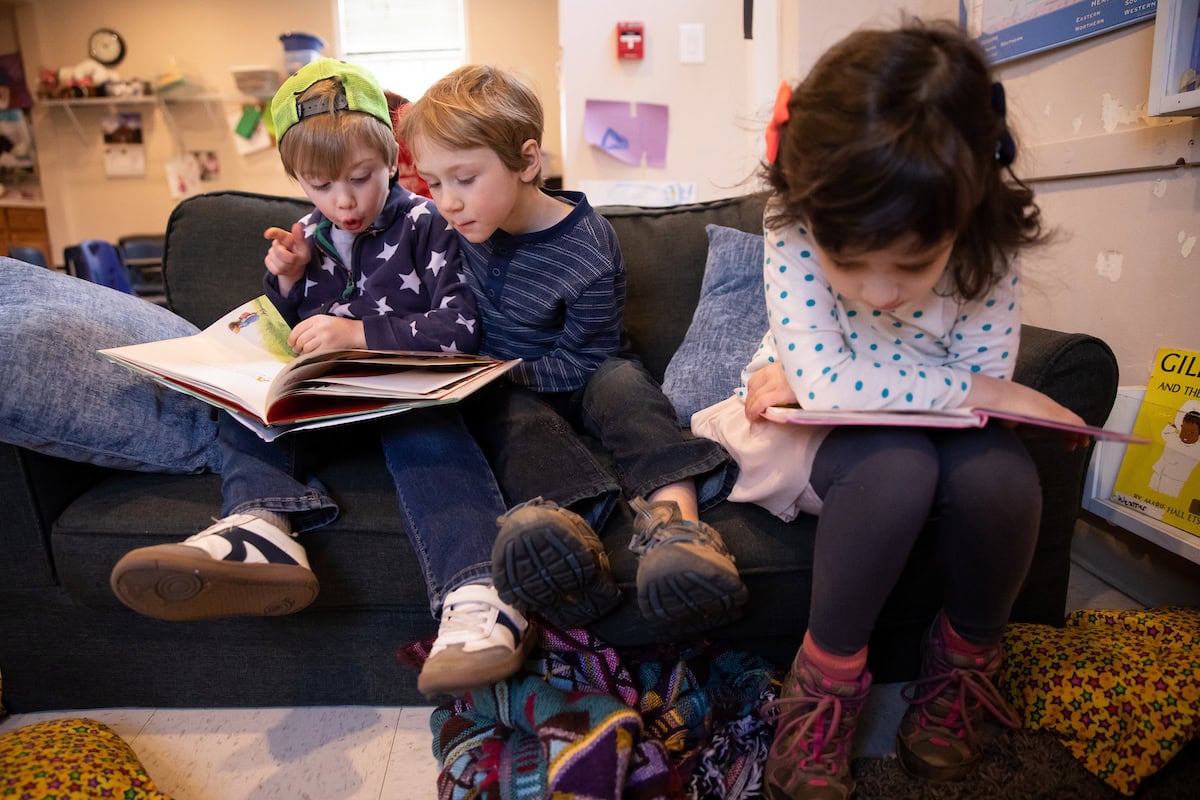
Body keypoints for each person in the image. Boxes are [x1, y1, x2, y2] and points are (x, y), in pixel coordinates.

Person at [688, 20, 1089, 799]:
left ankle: (963, 670)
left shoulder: (985, 244)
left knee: (1001, 479)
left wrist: (876, 377)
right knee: (897, 467)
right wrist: (994, 394)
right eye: (850, 264)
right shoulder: (795, 219)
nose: (877, 293)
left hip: (899, 414)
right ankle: (824, 691)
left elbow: (898, 375)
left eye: (911, 266)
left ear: (965, 215)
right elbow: (839, 389)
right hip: (813, 428)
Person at [106, 58, 534, 698]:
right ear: (296, 180)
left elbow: (460, 329)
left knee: (431, 435)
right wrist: (283, 282)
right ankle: (261, 529)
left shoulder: (429, 224)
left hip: (405, 399)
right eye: (319, 185)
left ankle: (478, 594)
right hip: (325, 409)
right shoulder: (307, 235)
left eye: (361, 179)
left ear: (392, 158)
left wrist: (357, 334)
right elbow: (282, 338)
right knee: (249, 408)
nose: (343, 201)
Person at [399, 65, 747, 636]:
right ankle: (571, 546)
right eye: (434, 184)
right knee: (509, 419)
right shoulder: (453, 233)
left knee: (624, 386)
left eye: (463, 178)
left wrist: (501, 369)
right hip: (506, 390)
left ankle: (679, 530)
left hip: (583, 372)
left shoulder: (586, 244)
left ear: (527, 161)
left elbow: (587, 356)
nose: (447, 204)